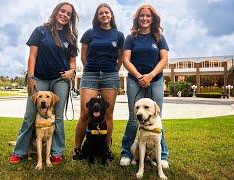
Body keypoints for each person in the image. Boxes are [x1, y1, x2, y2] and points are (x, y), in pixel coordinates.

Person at [9, 2, 78, 165]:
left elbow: (72, 61)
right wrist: (31, 77)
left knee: (58, 117)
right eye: (63, 11)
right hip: (39, 78)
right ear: (56, 12)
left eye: (69, 14)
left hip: (60, 80)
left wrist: (71, 72)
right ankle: (19, 151)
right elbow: (32, 56)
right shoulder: (40, 31)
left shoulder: (71, 37)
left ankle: (56, 152)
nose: (65, 15)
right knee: (30, 116)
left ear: (71, 18)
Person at [119, 4, 170, 168]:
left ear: (153, 18)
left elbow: (164, 60)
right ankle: (127, 153)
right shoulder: (131, 38)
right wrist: (140, 76)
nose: (145, 18)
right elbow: (126, 59)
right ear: (137, 18)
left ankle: (162, 155)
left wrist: (150, 75)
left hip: (155, 80)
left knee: (156, 118)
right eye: (142, 15)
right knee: (134, 119)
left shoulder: (159, 37)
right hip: (135, 81)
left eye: (148, 16)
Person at [72, 3, 124, 160]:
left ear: (111, 15)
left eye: (107, 12)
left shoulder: (119, 35)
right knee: (85, 113)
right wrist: (90, 68)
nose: (104, 15)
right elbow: (83, 56)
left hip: (110, 75)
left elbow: (121, 57)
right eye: (101, 13)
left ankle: (105, 149)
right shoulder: (89, 33)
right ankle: (77, 149)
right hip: (90, 75)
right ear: (97, 16)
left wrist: (115, 69)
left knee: (108, 114)